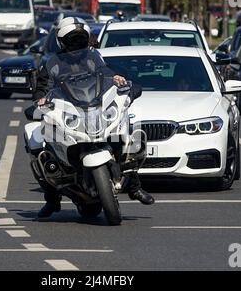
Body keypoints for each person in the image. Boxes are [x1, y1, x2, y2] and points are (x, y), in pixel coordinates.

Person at [33, 17, 155, 218]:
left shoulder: (93, 57)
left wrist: (116, 79)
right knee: (40, 143)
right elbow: (42, 88)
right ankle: (52, 200)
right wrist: (40, 100)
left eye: (79, 40)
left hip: (93, 109)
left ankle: (134, 187)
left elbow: (104, 72)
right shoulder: (52, 64)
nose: (76, 45)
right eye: (72, 40)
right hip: (69, 112)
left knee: (125, 134)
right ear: (62, 41)